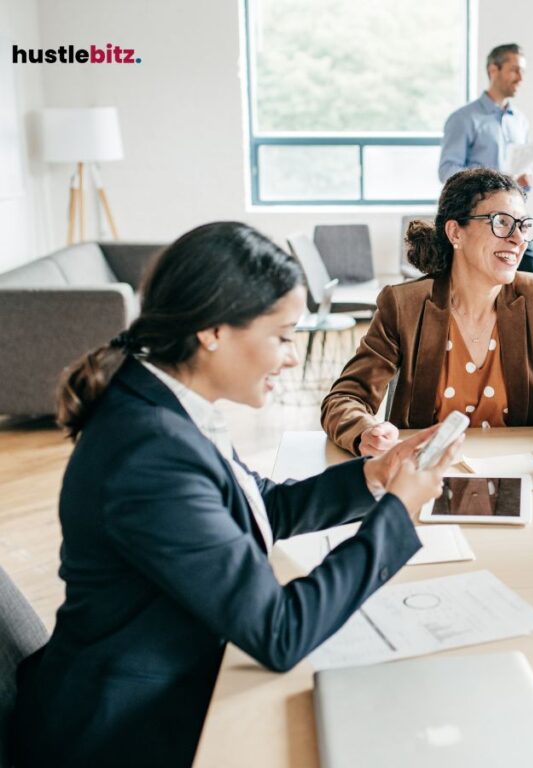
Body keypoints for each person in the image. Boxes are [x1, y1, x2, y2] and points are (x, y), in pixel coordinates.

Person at [13, 222, 462, 767]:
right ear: (213, 331)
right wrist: (398, 513)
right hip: (128, 731)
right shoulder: (150, 452)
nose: (293, 356)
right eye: (282, 335)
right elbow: (280, 632)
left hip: (175, 682)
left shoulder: (165, 405)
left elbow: (253, 507)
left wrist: (374, 475)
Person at [321, 168, 533, 472]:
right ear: (455, 233)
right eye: (502, 222)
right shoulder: (404, 306)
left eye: (524, 225)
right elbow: (345, 398)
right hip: (428, 478)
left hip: (526, 476)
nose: (519, 239)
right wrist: (364, 432)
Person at [439, 43, 533, 274]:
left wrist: (526, 180)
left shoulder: (520, 121)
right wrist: (487, 181)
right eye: (514, 70)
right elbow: (447, 170)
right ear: (493, 70)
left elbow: (524, 166)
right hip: (479, 221)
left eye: (523, 71)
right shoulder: (464, 119)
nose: (520, 78)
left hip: (514, 218)